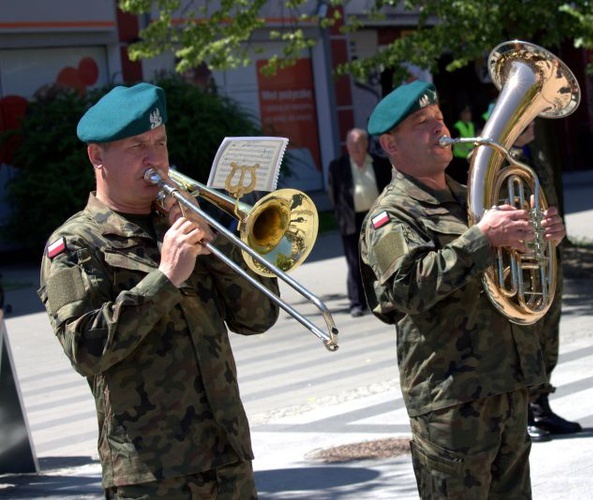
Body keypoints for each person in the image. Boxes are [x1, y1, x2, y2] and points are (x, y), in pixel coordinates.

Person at [36, 82, 280, 498]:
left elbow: (259, 317)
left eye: (160, 142)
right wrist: (165, 279)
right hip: (149, 474)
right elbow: (85, 349)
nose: (155, 159)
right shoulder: (74, 245)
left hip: (228, 458)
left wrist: (219, 245)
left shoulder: (184, 223)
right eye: (137, 146)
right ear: (98, 156)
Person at [359, 80, 566, 498]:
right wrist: (482, 239)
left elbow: (509, 276)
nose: (440, 129)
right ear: (390, 145)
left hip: (507, 384)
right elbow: (406, 288)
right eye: (422, 124)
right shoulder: (390, 215)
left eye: (438, 118)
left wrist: (540, 240)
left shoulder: (473, 197)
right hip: (451, 401)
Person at [510, 121, 582, 442]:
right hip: (521, 267)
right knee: (525, 341)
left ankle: (541, 406)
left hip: (547, 259)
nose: (534, 122)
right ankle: (522, 415)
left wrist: (558, 230)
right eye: (527, 117)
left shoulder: (535, 156)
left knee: (548, 337)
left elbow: (549, 207)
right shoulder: (500, 161)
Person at [327, 128, 392, 317]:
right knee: (355, 262)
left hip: (376, 217)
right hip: (351, 220)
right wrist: (341, 217)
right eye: (351, 143)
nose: (355, 146)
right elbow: (333, 195)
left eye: (359, 142)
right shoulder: (337, 166)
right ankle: (357, 302)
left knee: (381, 258)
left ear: (365, 144)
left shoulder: (379, 163)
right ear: (346, 146)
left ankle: (384, 298)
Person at [444, 106, 475, 184]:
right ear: (462, 114)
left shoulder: (471, 125)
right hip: (459, 160)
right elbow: (452, 141)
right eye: (466, 112)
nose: (469, 115)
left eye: (469, 112)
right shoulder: (457, 127)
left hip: (469, 158)